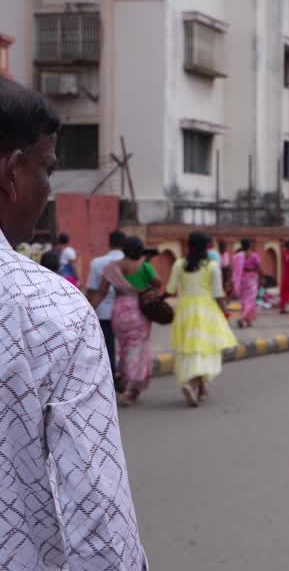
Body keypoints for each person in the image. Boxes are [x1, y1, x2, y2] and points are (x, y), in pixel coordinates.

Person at [0, 76, 147, 567]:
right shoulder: (47, 310)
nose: (47, 190)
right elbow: (98, 517)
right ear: (12, 171)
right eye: (46, 170)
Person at [168, 231, 240, 407]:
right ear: (207, 246)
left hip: (185, 309)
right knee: (205, 348)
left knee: (190, 348)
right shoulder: (212, 266)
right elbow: (218, 293)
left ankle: (201, 387)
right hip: (206, 309)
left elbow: (170, 289)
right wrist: (225, 313)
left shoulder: (179, 264)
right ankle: (192, 384)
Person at [102, 236, 162, 406]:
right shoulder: (145, 266)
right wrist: (147, 287)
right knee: (138, 348)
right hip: (139, 311)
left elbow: (102, 290)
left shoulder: (113, 268)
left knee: (124, 347)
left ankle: (128, 384)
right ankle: (130, 387)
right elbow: (158, 282)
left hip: (120, 311)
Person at [85, 229, 127, 389]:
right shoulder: (130, 261)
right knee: (126, 347)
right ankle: (124, 377)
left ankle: (110, 380)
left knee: (107, 347)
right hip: (126, 311)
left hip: (103, 311)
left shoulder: (97, 262)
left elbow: (92, 289)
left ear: (109, 243)